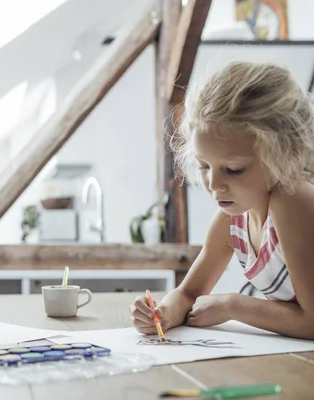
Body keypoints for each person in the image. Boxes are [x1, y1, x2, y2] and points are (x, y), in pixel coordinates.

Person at [130, 61, 314, 340]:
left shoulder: (293, 198)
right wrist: (163, 313)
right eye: (205, 166)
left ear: (287, 154)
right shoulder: (233, 222)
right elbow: (190, 293)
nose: (214, 185)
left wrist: (232, 305)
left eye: (234, 169)